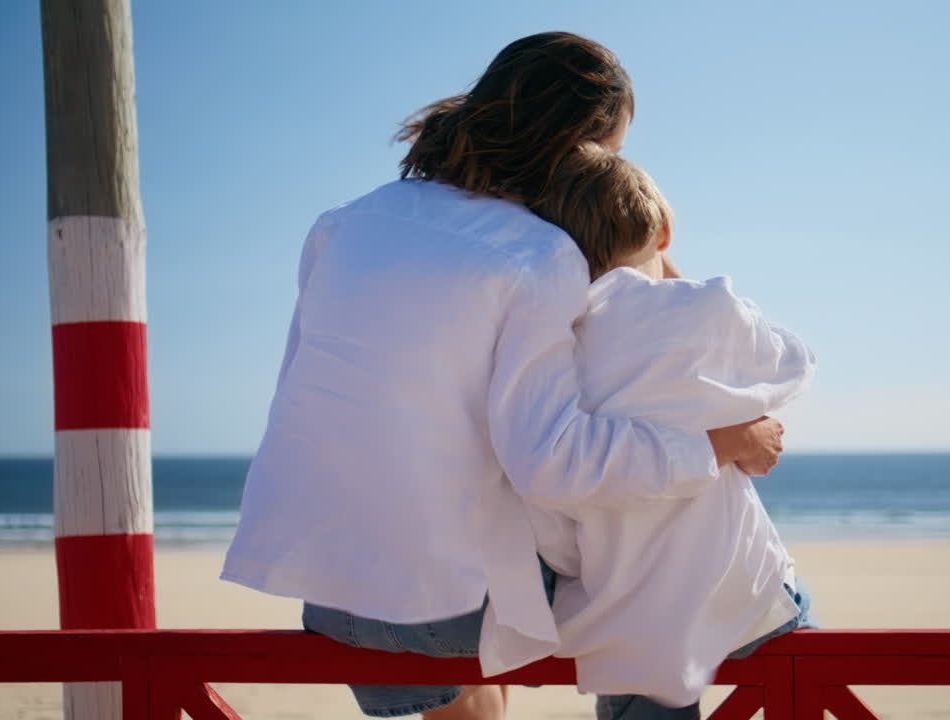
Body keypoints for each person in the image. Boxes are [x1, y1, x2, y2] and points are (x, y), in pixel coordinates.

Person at [220, 32, 786, 720]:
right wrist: (720, 444)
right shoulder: (539, 254)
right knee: (660, 531)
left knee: (482, 539)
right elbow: (559, 463)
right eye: (606, 156)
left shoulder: (344, 224)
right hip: (450, 611)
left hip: (332, 591)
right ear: (577, 145)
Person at [515, 144, 816, 718]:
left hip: (626, 621)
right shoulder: (706, 311)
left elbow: (549, 517)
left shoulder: (556, 348)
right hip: (742, 591)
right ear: (665, 233)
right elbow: (792, 364)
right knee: (801, 660)